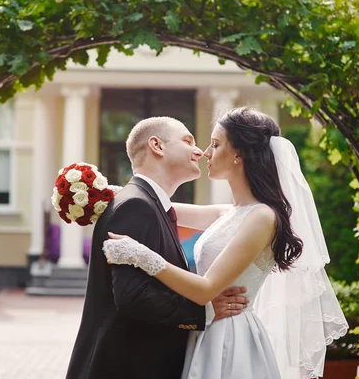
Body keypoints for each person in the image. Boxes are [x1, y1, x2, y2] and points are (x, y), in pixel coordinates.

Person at [103, 107, 349, 379]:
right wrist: (106, 194)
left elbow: (205, 290)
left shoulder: (262, 217)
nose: (206, 153)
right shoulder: (228, 213)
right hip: (208, 328)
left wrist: (140, 256)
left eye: (216, 144)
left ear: (239, 154)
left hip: (230, 337)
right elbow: (158, 204)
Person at [66, 117, 250, 379]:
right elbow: (133, 296)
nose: (199, 152)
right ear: (157, 146)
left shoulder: (145, 204)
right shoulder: (136, 206)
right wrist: (204, 311)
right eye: (188, 141)